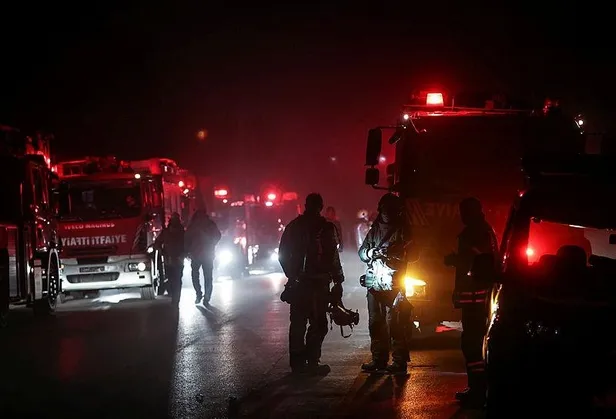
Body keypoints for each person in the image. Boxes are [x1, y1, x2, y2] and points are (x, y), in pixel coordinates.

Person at [278, 193, 344, 375]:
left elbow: (282, 254)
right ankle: (312, 362)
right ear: (321, 207)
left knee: (299, 324)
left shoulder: (294, 227)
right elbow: (333, 257)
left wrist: (292, 275)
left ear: (306, 205)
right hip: (318, 284)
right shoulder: (326, 228)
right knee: (317, 324)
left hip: (303, 284)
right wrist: (338, 281)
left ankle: (298, 364)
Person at [444, 197, 498, 408]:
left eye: (464, 212)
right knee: (474, 344)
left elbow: (474, 261)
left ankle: (478, 390)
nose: (462, 216)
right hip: (479, 298)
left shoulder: (475, 232)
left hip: (475, 299)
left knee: (472, 345)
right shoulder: (485, 230)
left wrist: (454, 260)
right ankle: (477, 388)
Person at [358, 193, 412, 375]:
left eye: (390, 210)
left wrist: (394, 253)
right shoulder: (375, 229)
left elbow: (414, 254)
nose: (387, 213)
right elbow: (362, 252)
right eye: (385, 210)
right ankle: (378, 359)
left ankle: (399, 361)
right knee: (376, 323)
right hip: (375, 285)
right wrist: (371, 252)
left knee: (396, 324)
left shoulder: (403, 230)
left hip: (394, 285)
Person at [186, 208, 221, 305]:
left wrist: (187, 251)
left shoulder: (193, 225)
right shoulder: (210, 224)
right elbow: (218, 235)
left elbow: (187, 238)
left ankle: (199, 294)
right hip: (206, 254)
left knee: (195, 276)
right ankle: (206, 297)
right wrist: (212, 244)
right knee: (208, 277)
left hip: (196, 254)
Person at [154, 213, 185, 307]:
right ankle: (174, 297)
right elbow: (157, 243)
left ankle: (176, 298)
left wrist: (184, 254)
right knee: (173, 280)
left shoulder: (182, 232)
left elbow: (187, 244)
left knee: (176, 280)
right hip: (170, 260)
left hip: (177, 260)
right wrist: (161, 251)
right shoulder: (167, 232)